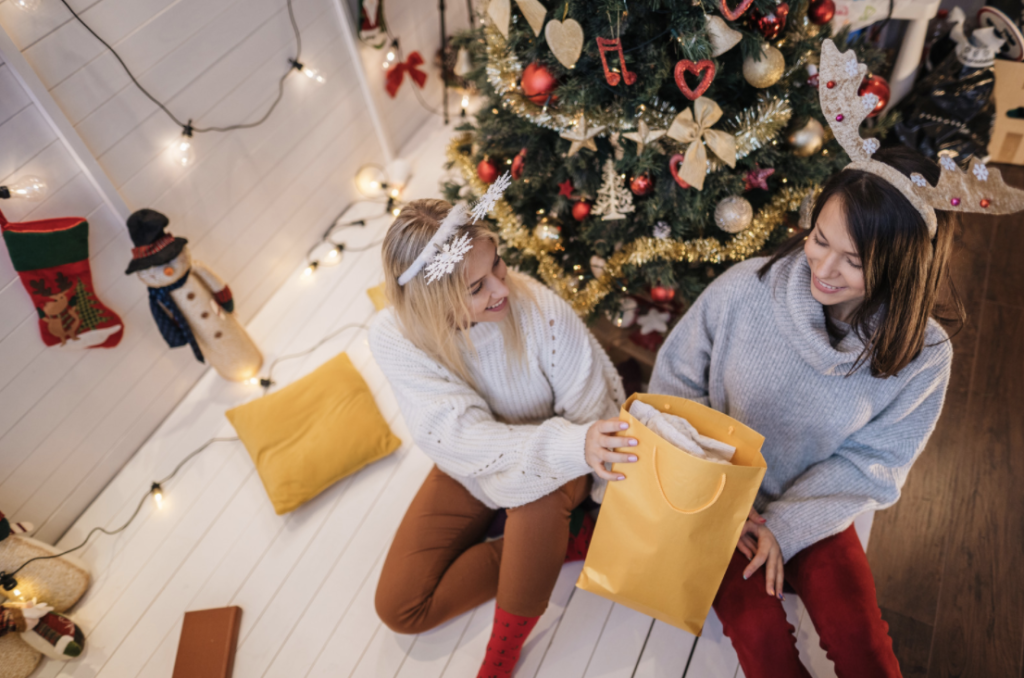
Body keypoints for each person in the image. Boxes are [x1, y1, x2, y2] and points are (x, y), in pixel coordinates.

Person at [650, 143, 965, 676]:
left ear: (903, 266)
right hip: (718, 501)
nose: (824, 267)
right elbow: (674, 389)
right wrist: (718, 496)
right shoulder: (742, 290)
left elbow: (873, 463)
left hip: (816, 506)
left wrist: (787, 527)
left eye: (855, 261)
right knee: (764, 644)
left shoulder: (925, 356)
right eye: (820, 239)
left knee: (865, 646)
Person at [368, 194, 633, 678]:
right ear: (435, 302)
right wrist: (514, 473)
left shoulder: (542, 313)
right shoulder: (395, 336)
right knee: (400, 606)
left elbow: (594, 419)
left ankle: (502, 653)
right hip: (480, 457)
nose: (501, 288)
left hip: (565, 450)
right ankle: (562, 542)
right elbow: (456, 436)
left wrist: (582, 467)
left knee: (533, 496)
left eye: (498, 265)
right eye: (476, 286)